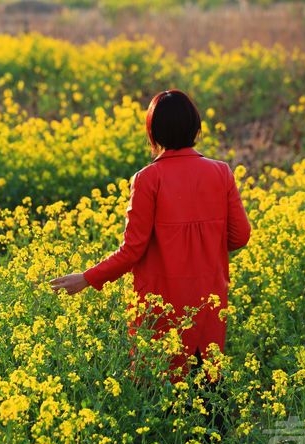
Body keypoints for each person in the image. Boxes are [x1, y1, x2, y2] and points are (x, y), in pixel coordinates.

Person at [50, 89, 251, 382]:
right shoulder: (221, 172)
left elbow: (132, 250)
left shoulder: (148, 178)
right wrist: (206, 246)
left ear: (152, 132)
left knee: (160, 396)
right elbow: (240, 236)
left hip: (161, 309)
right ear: (196, 128)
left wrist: (87, 278)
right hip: (209, 304)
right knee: (208, 398)